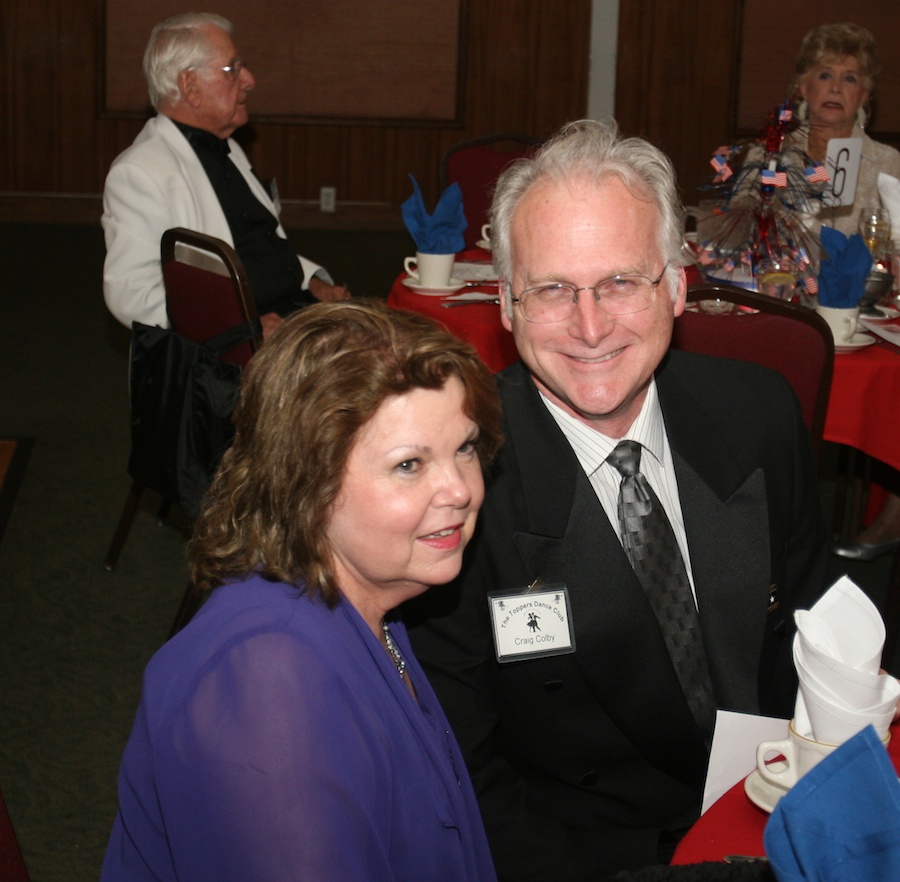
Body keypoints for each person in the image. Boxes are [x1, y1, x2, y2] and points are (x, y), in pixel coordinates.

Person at [405, 119, 828, 880]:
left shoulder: (760, 414)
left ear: (675, 286)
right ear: (505, 303)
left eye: (620, 283)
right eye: (553, 290)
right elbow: (464, 769)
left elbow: (813, 636)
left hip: (776, 812)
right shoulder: (460, 488)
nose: (591, 327)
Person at [100, 301, 502, 882]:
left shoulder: (372, 603)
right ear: (307, 481)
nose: (460, 490)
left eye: (463, 448)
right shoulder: (269, 678)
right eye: (410, 464)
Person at [102, 12, 349, 340]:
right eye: (232, 69)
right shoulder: (139, 172)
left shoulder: (228, 147)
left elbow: (258, 245)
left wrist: (312, 282)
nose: (249, 79)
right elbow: (131, 295)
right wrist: (240, 329)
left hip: (288, 315)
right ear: (190, 86)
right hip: (221, 355)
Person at [787, 23, 900, 561]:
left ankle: (895, 511)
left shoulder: (887, 165)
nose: (835, 86)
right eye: (824, 74)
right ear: (804, 88)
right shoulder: (769, 157)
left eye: (849, 78)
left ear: (865, 97)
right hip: (784, 311)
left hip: (859, 319)